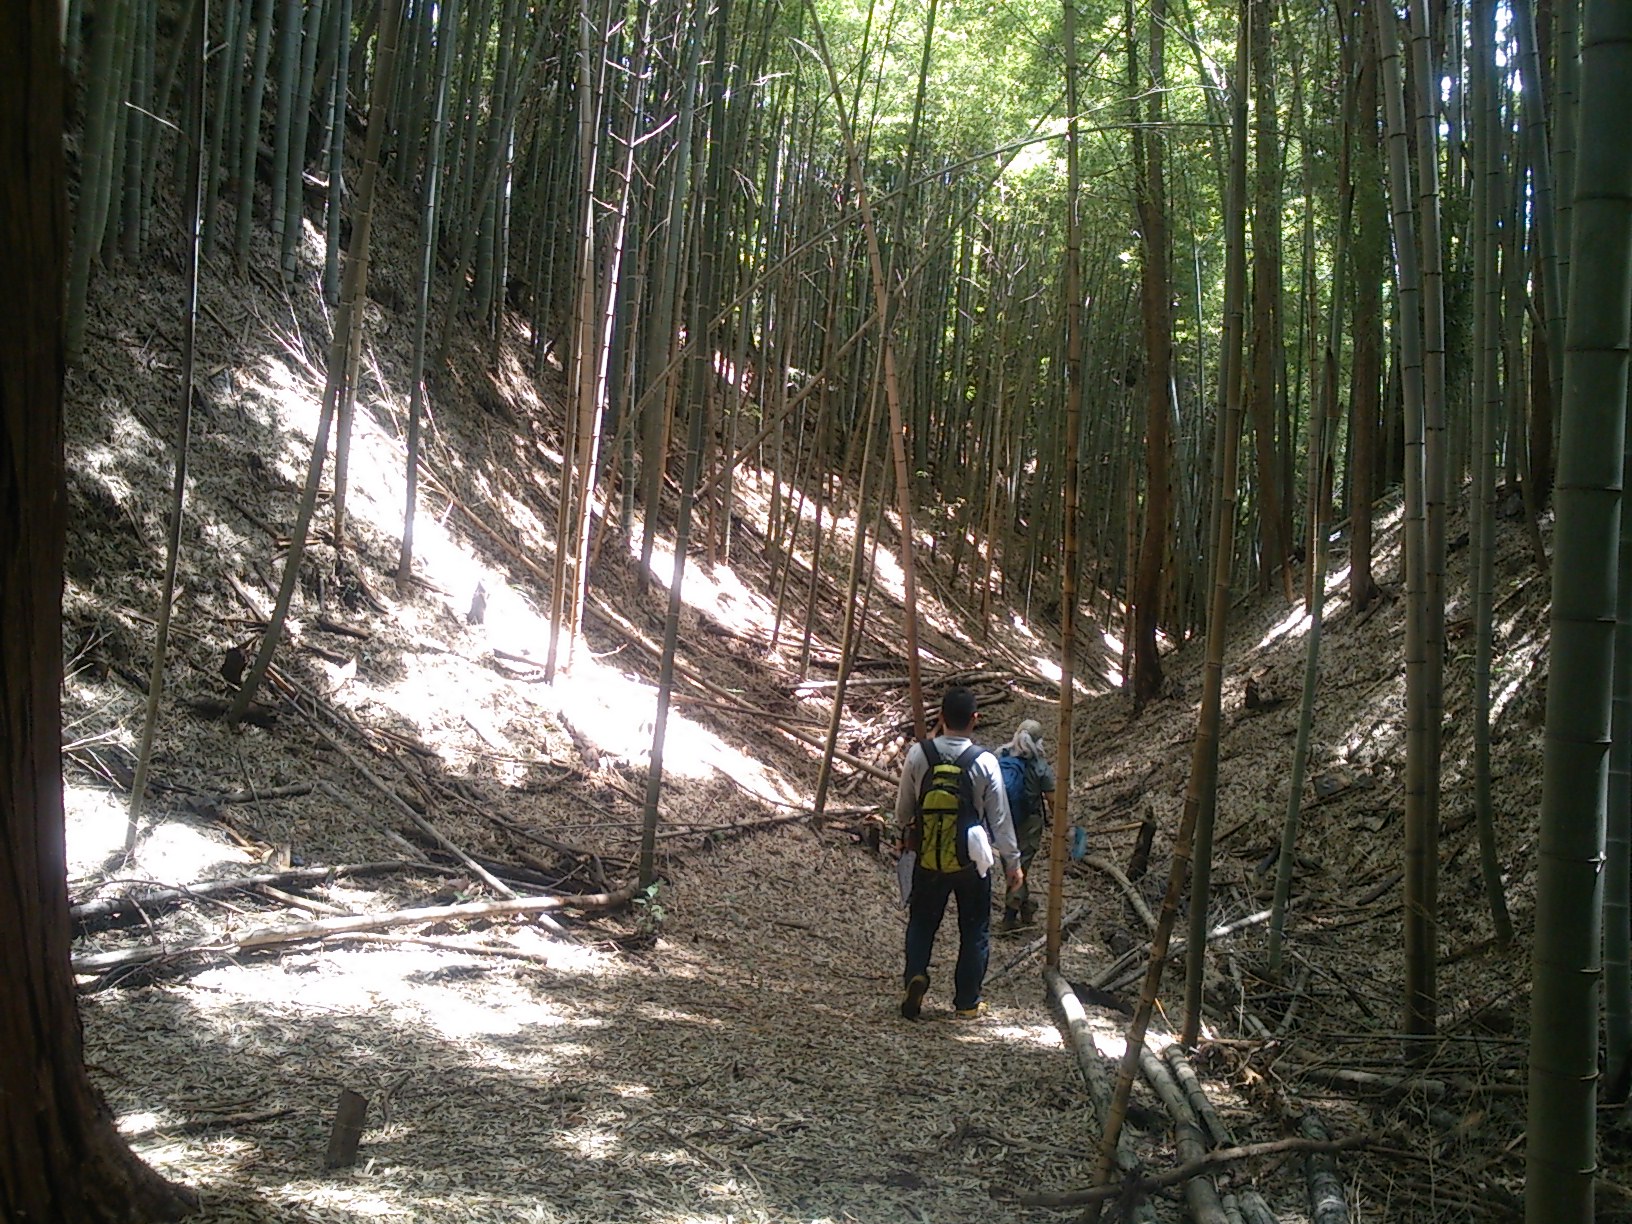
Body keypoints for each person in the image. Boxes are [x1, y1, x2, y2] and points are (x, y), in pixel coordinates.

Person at [895, 686, 1023, 1020]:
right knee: (975, 929)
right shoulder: (985, 761)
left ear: (941, 717)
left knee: (922, 923)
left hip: (928, 856)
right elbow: (999, 819)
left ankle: (915, 976)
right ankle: (967, 1002)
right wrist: (1012, 863)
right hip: (971, 861)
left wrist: (908, 833)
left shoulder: (918, 754)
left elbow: (903, 811)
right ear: (974, 719)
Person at [996, 718, 1057, 931]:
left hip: (1004, 820)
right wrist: (1061, 825)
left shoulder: (1001, 757)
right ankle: (1010, 916)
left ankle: (1026, 907)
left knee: (1011, 865)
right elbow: (1053, 800)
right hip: (1029, 823)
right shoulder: (1040, 766)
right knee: (1021, 867)